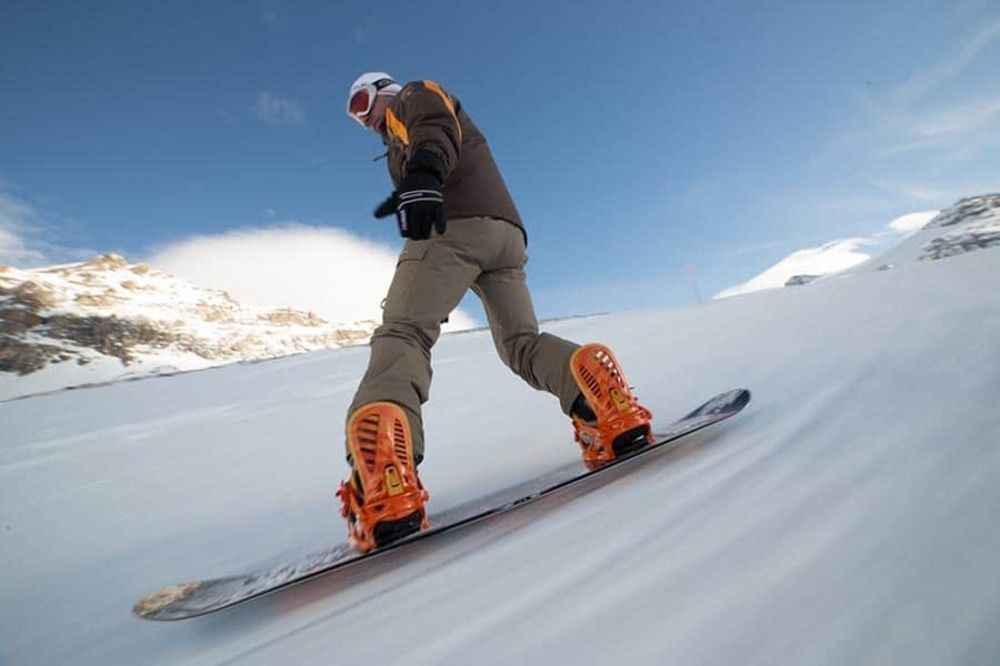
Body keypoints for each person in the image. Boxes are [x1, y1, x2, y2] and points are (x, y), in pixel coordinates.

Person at [338, 72, 654, 551]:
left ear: (384, 89)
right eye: (354, 113)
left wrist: (422, 175)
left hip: (456, 227)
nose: (363, 117)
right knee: (521, 344)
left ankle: (386, 481)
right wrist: (410, 180)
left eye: (363, 101)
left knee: (404, 333)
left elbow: (434, 127)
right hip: (505, 235)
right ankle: (605, 403)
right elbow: (433, 142)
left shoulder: (412, 96)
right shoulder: (399, 136)